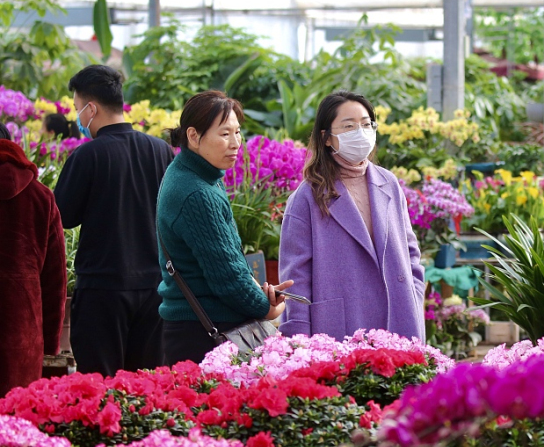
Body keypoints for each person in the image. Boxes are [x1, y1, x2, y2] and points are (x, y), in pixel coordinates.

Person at [157, 90, 293, 364]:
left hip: (200, 328)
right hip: (202, 335)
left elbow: (230, 259)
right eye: (224, 134)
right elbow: (227, 278)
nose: (236, 143)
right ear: (194, 136)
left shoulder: (196, 174)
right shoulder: (197, 192)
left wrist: (261, 291)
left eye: (238, 132)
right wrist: (266, 306)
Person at [53, 65, 174, 376]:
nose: (78, 117)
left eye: (78, 109)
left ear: (92, 108)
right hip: (155, 290)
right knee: (147, 387)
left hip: (102, 290)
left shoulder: (87, 156)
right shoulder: (161, 151)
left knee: (100, 386)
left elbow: (61, 216)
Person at [279, 90, 426, 341]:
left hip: (398, 318)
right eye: (349, 126)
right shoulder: (307, 197)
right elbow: (296, 278)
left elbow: (410, 251)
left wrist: (413, 295)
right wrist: (298, 341)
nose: (360, 132)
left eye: (366, 124)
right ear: (326, 138)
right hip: (341, 329)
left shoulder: (388, 182)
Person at [0, 123, 67, 395]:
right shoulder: (41, 197)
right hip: (20, 339)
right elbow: (55, 284)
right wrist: (48, 347)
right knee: (13, 426)